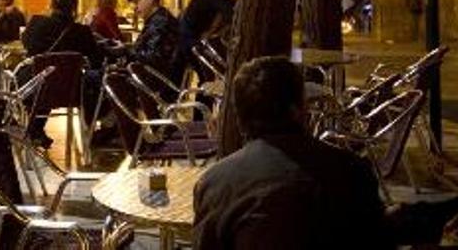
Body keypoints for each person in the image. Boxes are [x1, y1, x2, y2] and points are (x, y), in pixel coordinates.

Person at [193, 56, 458, 250]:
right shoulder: (349, 170)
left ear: (240, 118)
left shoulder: (215, 183)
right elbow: (375, 240)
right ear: (298, 110)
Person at [21, 0, 103, 146]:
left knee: (47, 78)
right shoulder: (82, 32)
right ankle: (97, 128)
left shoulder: (36, 24)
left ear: (51, 4)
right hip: (72, 91)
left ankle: (35, 129)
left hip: (36, 89)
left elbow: (26, 44)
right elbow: (96, 60)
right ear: (74, 6)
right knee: (95, 79)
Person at [174, 0, 242, 84]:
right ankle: (203, 103)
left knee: (206, 77)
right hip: (190, 40)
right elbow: (228, 13)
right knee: (207, 78)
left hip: (187, 37)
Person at [125, 0, 180, 93]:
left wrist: (125, 51)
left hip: (155, 83)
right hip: (156, 79)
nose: (135, 8)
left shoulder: (159, 22)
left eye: (137, 2)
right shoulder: (157, 19)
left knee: (97, 79)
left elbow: (152, 56)